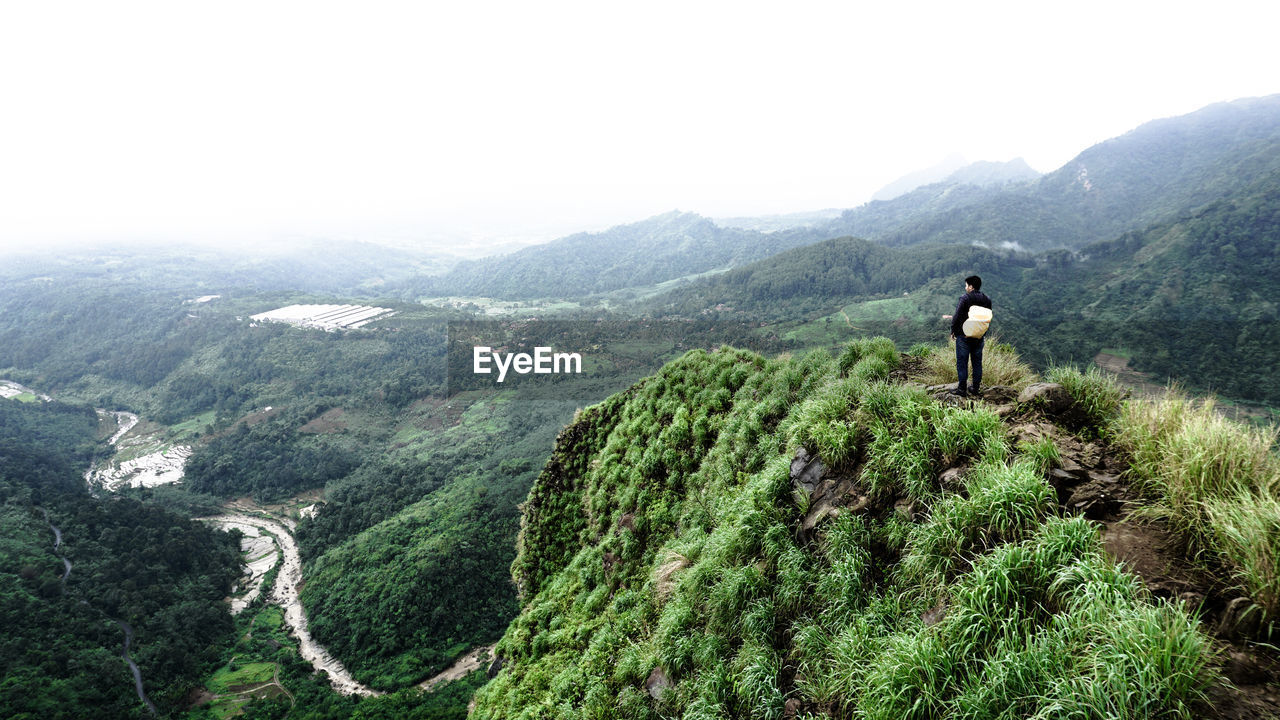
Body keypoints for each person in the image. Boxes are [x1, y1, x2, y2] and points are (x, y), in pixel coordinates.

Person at [945, 275, 992, 397]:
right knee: (977, 362)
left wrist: (953, 330)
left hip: (964, 336)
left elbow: (957, 315)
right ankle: (975, 388)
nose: (965, 287)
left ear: (971, 286)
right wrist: (982, 333)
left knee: (962, 362)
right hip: (978, 336)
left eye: (966, 285)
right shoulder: (987, 299)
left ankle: (962, 389)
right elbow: (987, 319)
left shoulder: (965, 298)